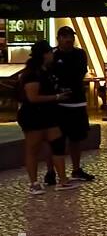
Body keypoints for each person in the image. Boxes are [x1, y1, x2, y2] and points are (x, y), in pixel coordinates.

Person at [18, 41, 75, 194]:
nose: (52, 55)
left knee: (57, 145)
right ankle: (34, 183)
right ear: (44, 54)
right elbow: (33, 97)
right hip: (33, 115)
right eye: (50, 52)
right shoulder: (32, 74)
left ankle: (62, 179)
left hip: (49, 115)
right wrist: (56, 97)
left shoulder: (47, 71)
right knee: (33, 148)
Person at [48, 26, 95, 184]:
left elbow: (78, 73)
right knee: (55, 139)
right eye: (65, 37)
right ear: (59, 38)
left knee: (76, 139)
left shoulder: (79, 54)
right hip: (58, 104)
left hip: (77, 102)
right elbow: (51, 74)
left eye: (71, 37)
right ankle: (51, 171)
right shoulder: (53, 55)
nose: (69, 40)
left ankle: (76, 169)